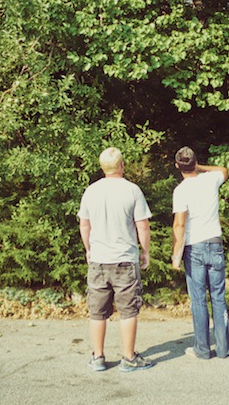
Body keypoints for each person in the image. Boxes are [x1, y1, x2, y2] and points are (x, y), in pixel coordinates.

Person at [78, 147, 154, 372]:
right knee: (128, 310)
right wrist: (145, 251)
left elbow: (85, 224)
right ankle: (129, 358)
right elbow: (142, 225)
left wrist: (88, 249)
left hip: (99, 260)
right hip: (125, 260)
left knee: (97, 311)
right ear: (122, 165)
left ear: (102, 167)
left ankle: (98, 357)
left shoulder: (91, 191)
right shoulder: (132, 190)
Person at [171, 146, 229, 359]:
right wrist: (201, 167)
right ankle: (225, 348)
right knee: (218, 296)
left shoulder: (180, 190)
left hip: (194, 248)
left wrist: (176, 254)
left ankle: (203, 349)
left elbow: (179, 224)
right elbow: (224, 170)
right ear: (195, 162)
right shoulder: (210, 180)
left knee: (198, 299)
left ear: (177, 166)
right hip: (215, 243)